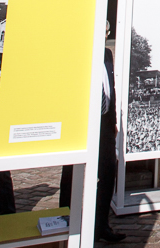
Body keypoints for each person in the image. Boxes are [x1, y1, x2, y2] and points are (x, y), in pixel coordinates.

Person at [59, 21, 124, 243]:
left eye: (107, 32)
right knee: (71, 173)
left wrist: (112, 121)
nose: (105, 36)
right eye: (102, 32)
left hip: (104, 123)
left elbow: (110, 88)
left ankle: (100, 225)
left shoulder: (107, 54)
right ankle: (65, 221)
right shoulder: (79, 54)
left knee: (107, 172)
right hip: (81, 122)